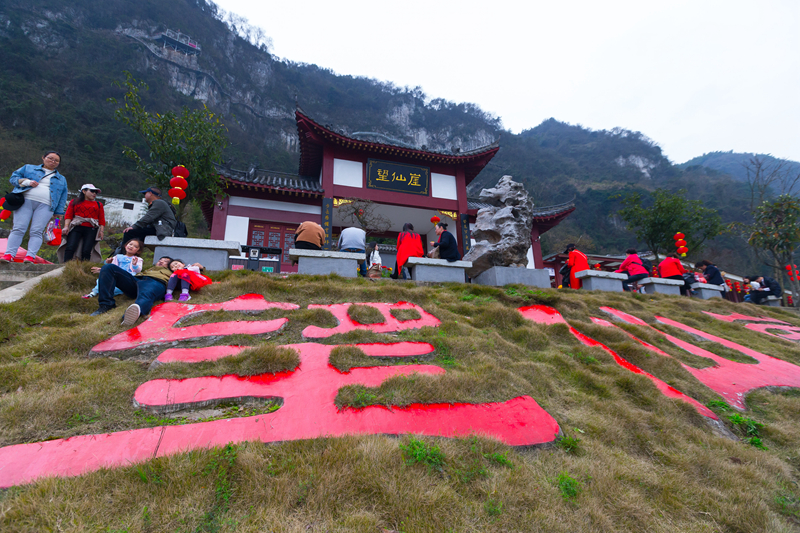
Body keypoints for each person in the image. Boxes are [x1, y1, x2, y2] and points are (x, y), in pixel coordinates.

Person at [1, 151, 69, 264]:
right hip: (25, 201)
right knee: (18, 228)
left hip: (46, 205)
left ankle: (30, 256)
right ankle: (9, 254)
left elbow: (63, 196)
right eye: (50, 158)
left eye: (56, 160)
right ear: (43, 158)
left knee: (37, 231)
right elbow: (13, 178)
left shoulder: (61, 179)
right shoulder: (28, 168)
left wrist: (58, 213)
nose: (53, 161)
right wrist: (26, 182)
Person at [91, 256, 195, 327]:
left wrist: (198, 266)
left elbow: (192, 272)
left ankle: (132, 314)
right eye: (161, 259)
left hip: (156, 282)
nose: (161, 261)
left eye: (166, 261)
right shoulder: (149, 268)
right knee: (108, 267)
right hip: (136, 280)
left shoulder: (174, 271)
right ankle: (106, 305)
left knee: (146, 294)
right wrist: (105, 270)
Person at [116, 187, 177, 254]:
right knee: (136, 238)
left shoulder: (159, 203)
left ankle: (122, 255)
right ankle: (130, 255)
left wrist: (134, 226)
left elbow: (148, 218)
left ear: (150, 193)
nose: (144, 196)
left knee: (130, 232)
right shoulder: (161, 203)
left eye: (145, 193)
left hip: (162, 231)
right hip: (160, 229)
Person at [62, 184, 105, 262]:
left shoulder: (99, 204)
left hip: (91, 228)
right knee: (70, 247)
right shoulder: (74, 201)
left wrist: (101, 231)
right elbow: (68, 215)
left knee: (86, 250)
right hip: (76, 226)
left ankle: (84, 268)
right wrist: (66, 226)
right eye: (92, 191)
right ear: (84, 191)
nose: (94, 193)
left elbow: (101, 219)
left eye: (96, 192)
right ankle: (65, 266)